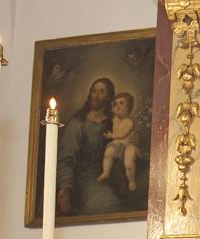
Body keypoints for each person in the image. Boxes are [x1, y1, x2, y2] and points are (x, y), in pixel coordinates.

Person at [57, 77, 131, 215]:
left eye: (102, 92)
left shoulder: (114, 122)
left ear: (109, 96)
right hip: (87, 179)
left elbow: (124, 143)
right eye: (94, 91)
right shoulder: (78, 122)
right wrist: (65, 187)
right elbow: (66, 158)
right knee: (108, 204)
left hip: (115, 176)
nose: (96, 96)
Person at [98, 92, 140, 192]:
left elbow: (123, 134)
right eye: (116, 103)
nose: (117, 106)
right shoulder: (114, 119)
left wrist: (112, 136)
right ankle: (106, 172)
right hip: (118, 144)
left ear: (128, 107)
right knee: (108, 153)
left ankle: (131, 181)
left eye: (121, 103)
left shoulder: (129, 122)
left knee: (128, 163)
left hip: (128, 145)